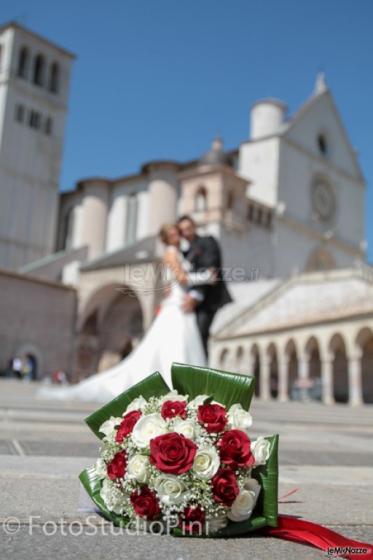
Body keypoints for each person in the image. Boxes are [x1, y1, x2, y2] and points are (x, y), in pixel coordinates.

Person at [39, 224, 213, 402]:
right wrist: (207, 277)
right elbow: (181, 278)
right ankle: (178, 387)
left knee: (173, 346)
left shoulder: (179, 253)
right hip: (176, 306)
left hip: (179, 303)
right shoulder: (171, 253)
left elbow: (175, 280)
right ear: (166, 238)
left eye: (176, 232)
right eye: (172, 234)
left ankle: (184, 387)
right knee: (175, 346)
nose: (176, 235)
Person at [178, 215, 232, 357]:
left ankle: (202, 372)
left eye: (188, 228)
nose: (186, 232)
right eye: (182, 230)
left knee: (200, 335)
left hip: (208, 299)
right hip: (189, 302)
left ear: (194, 227)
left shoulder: (207, 242)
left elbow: (210, 271)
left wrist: (196, 296)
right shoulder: (184, 252)